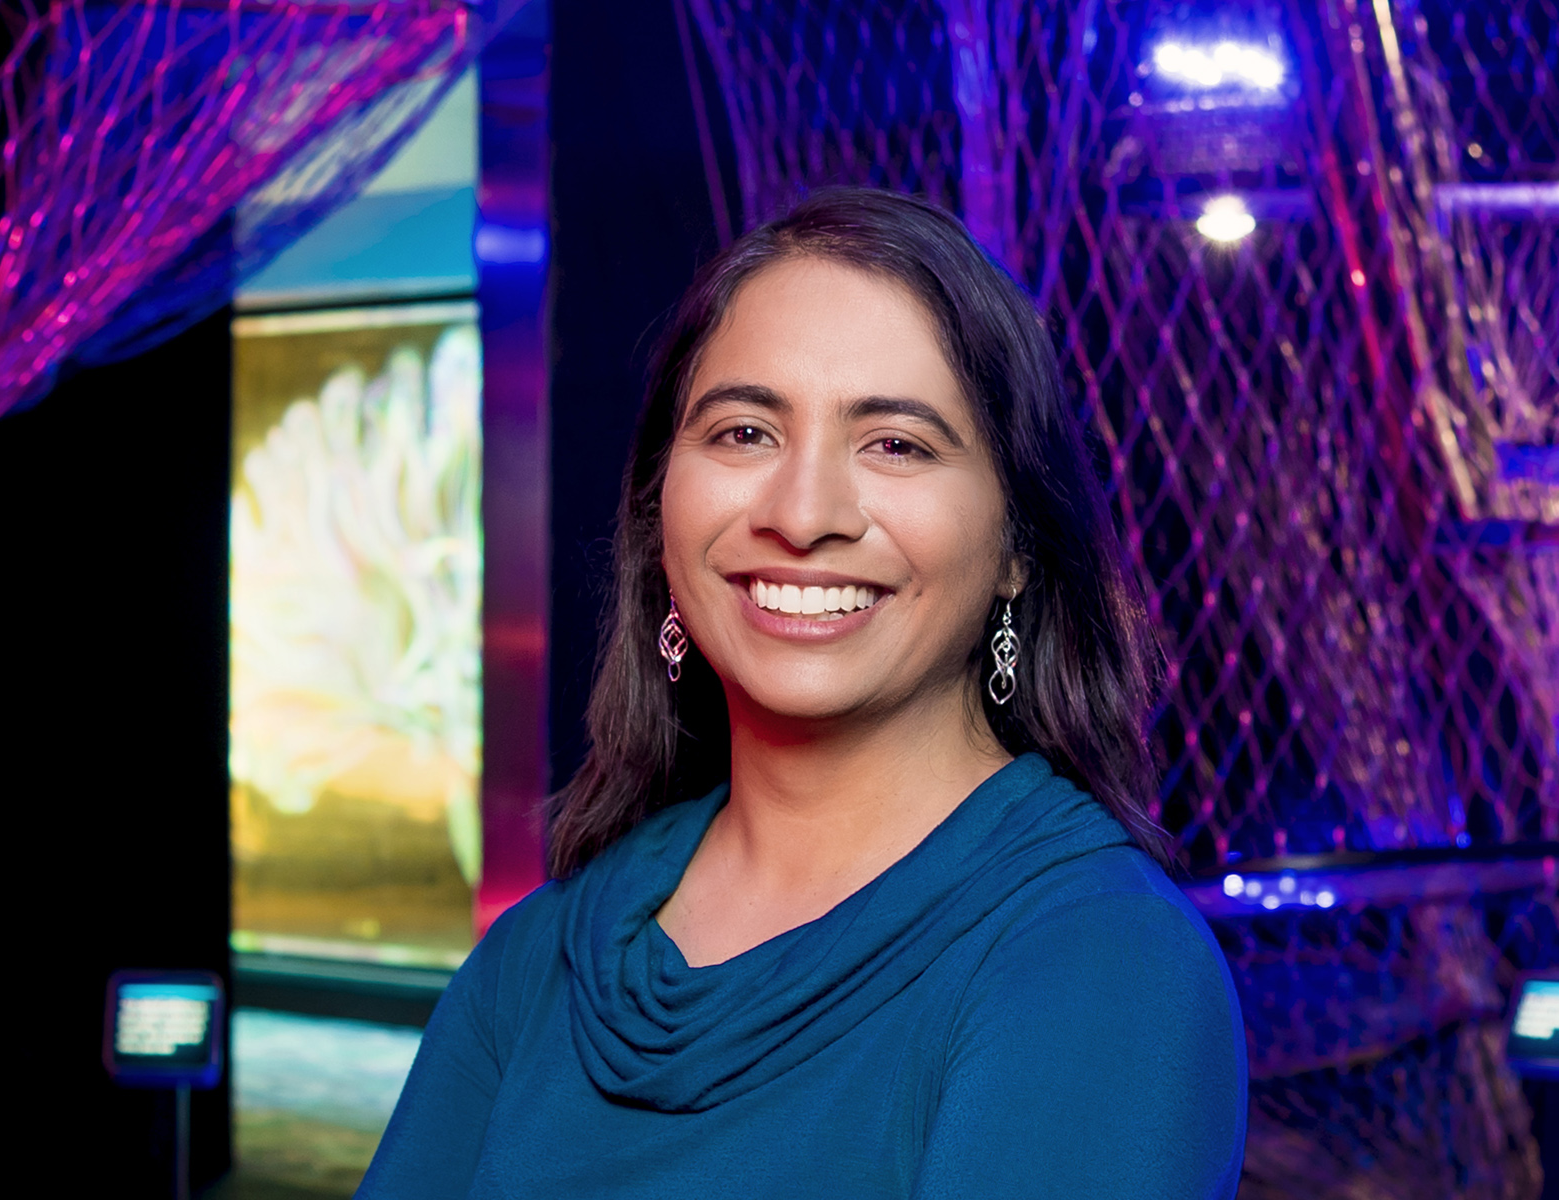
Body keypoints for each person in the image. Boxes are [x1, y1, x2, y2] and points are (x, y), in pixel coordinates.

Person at [357, 188, 1246, 1199]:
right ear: (659, 506)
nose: (803, 512)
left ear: (1016, 548)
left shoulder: (1102, 964)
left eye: (896, 444)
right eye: (743, 433)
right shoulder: (542, 956)